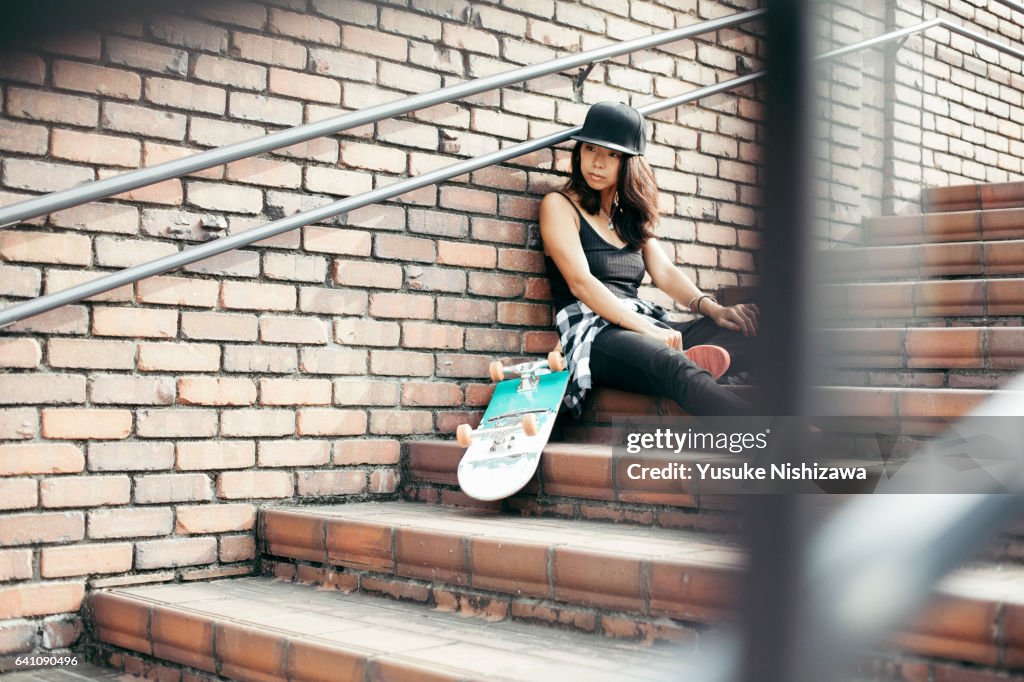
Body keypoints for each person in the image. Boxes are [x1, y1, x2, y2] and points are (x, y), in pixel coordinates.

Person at [540, 101, 759, 418]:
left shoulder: (628, 217)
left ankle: (696, 365)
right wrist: (648, 331)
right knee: (673, 364)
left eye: (612, 154)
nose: (597, 162)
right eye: (590, 149)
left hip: (642, 324)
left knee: (759, 318)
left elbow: (665, 273)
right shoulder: (558, 205)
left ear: (629, 162)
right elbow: (581, 282)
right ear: (579, 152)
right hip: (594, 334)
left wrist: (716, 309)